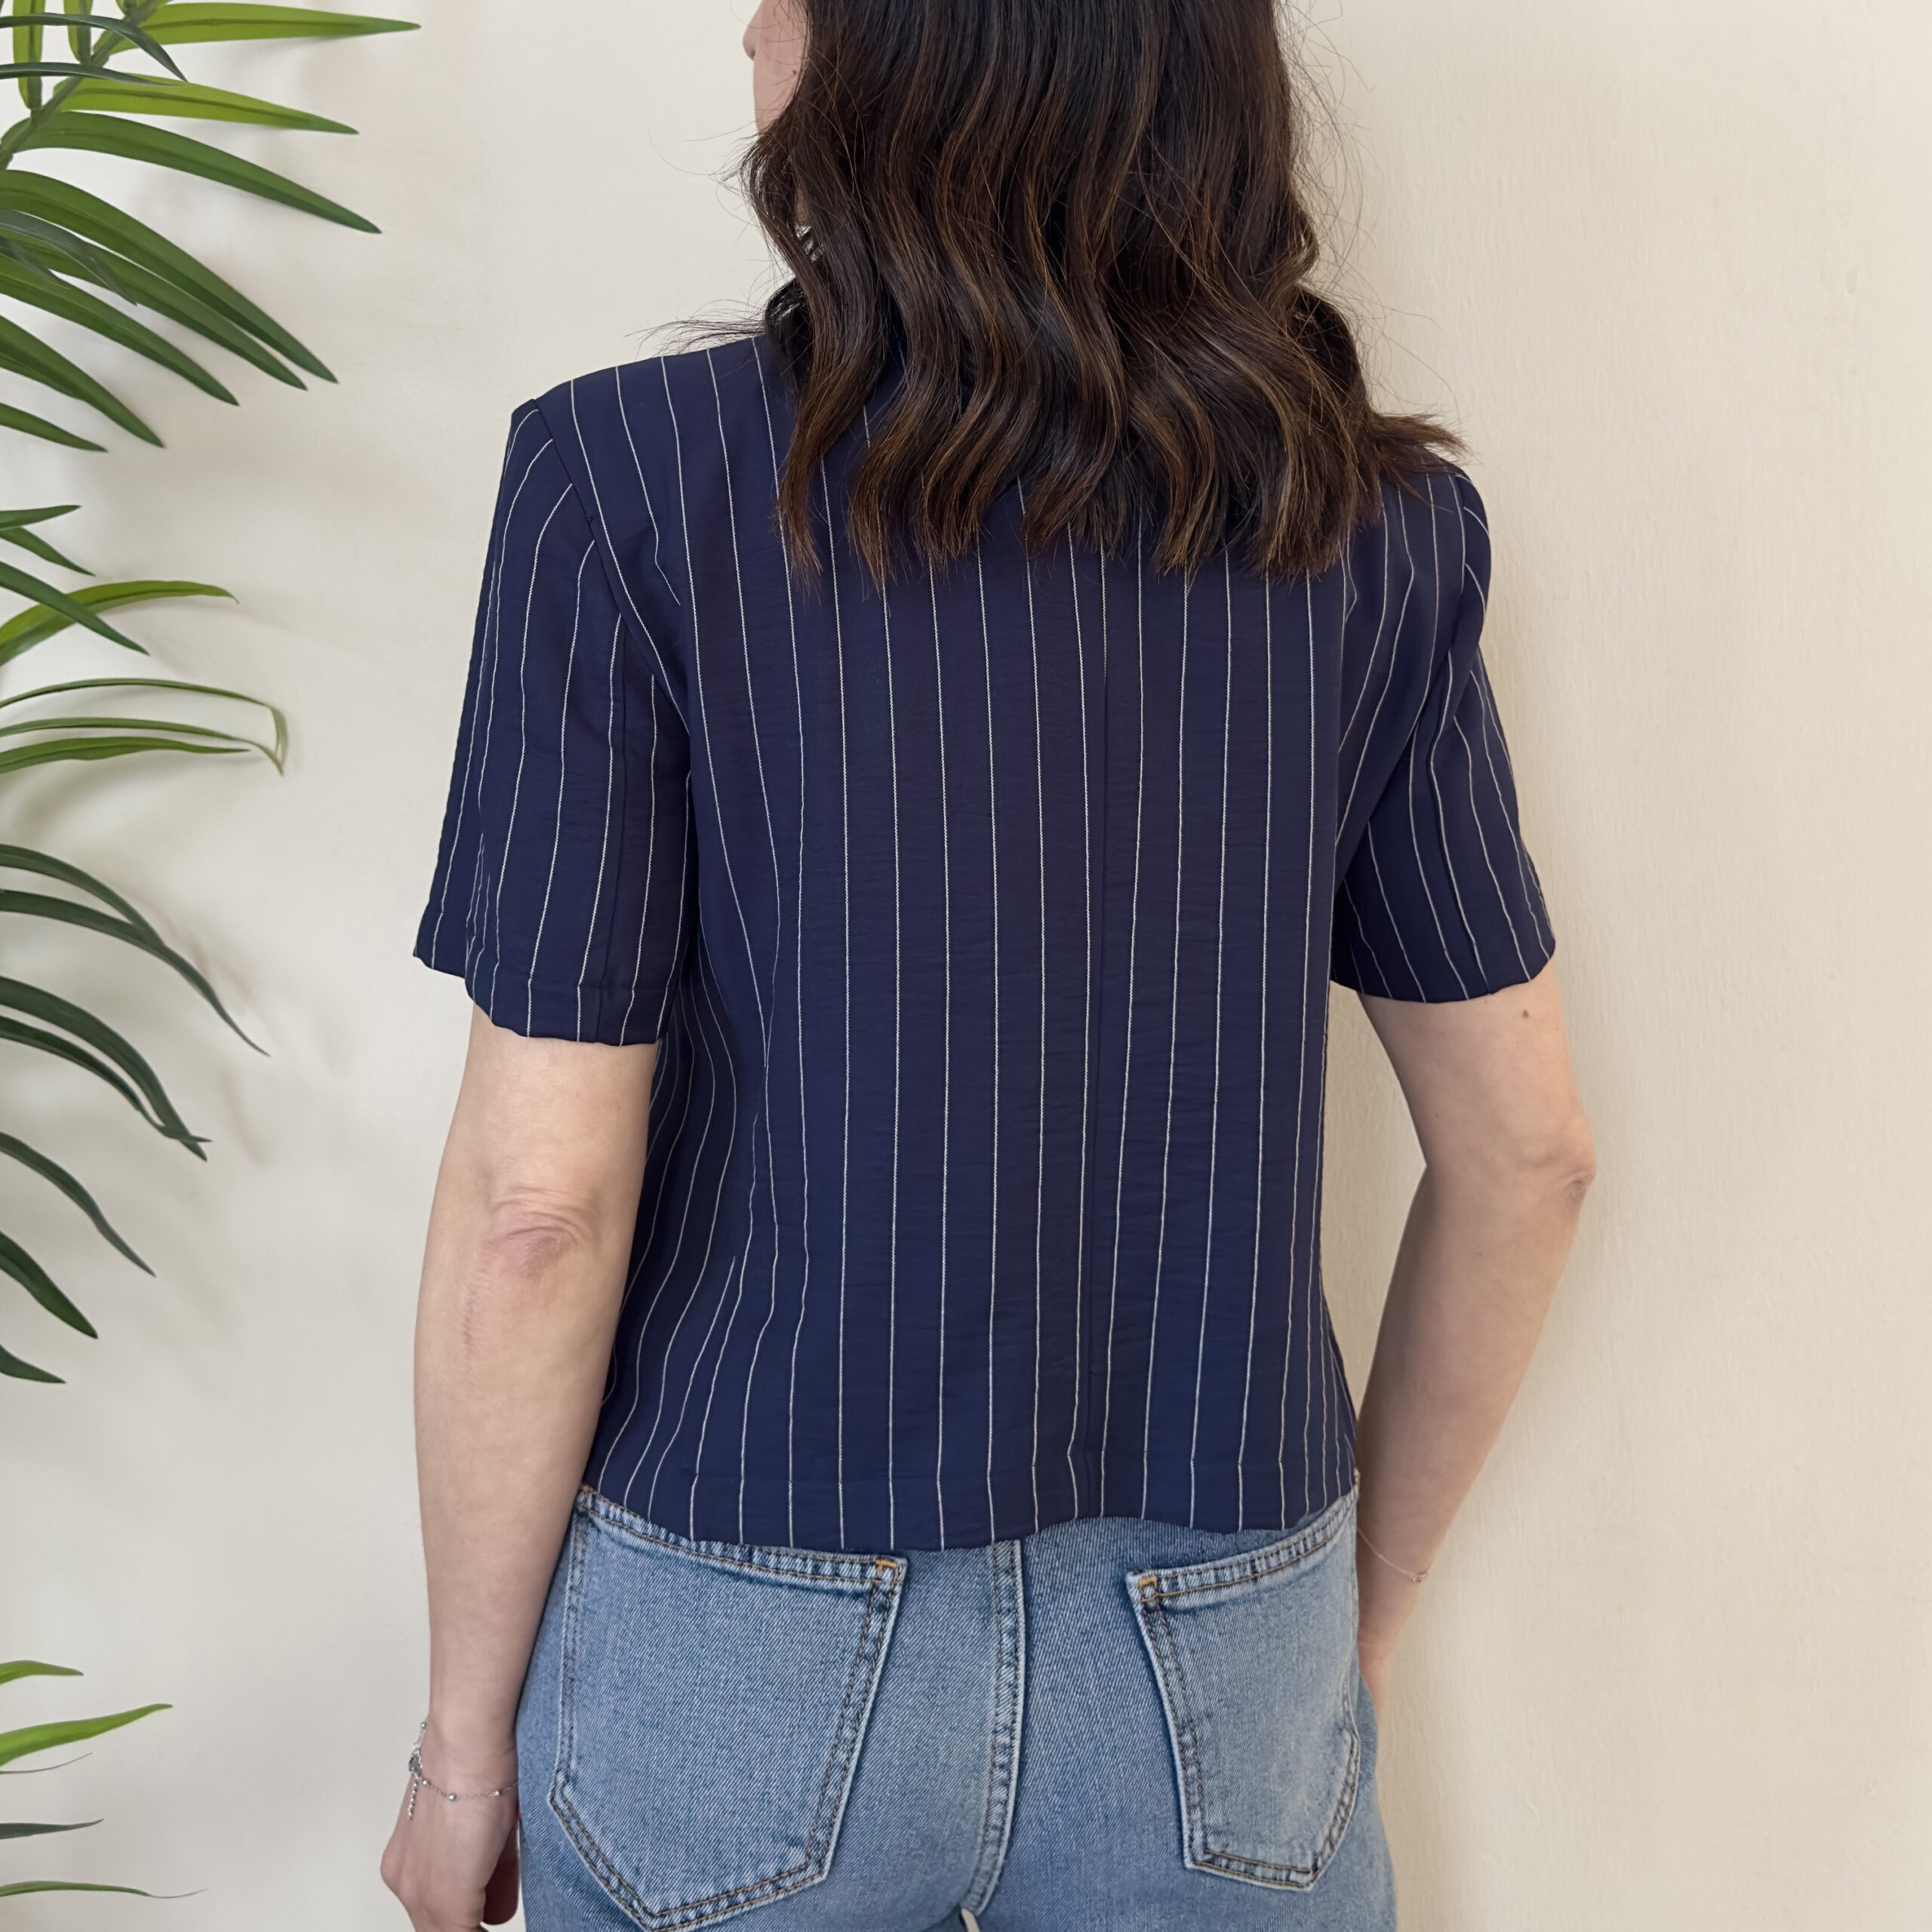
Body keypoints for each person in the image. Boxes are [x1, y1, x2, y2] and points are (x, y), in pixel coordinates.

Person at [380, 2, 1595, 1927]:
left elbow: (538, 1203)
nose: (750, 29)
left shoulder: (622, 485)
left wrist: (462, 1747)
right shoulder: (1372, 525)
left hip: (742, 1618)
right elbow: (1525, 1152)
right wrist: (1341, 1631)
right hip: (1220, 1628)